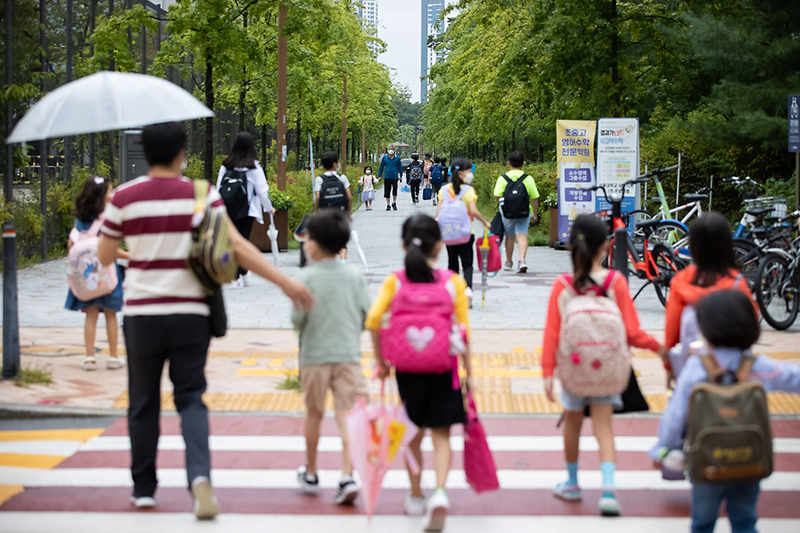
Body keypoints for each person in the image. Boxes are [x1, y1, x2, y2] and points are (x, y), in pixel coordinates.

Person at [97, 122, 314, 520]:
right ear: (182, 153)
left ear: (145, 153)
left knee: (142, 401)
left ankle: (143, 488)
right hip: (191, 314)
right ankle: (199, 479)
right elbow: (237, 246)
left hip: (143, 316)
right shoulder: (201, 195)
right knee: (191, 398)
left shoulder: (124, 197)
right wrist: (285, 282)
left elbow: (106, 257)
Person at [542, 215, 666, 517]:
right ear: (607, 246)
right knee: (603, 426)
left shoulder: (562, 285)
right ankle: (608, 489)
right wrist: (659, 348)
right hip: (609, 369)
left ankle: (572, 483)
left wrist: (547, 371)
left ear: (570, 246)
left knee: (572, 423)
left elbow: (553, 333)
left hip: (573, 369)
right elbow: (633, 333)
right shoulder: (616, 282)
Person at [651, 290, 800, 533]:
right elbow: (793, 378)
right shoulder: (759, 366)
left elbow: (675, 414)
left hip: (706, 460)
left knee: (702, 523)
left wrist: (661, 450)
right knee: (744, 521)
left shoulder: (696, 368)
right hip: (750, 459)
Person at [367, 214, 472, 532]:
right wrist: (472, 374)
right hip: (445, 367)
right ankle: (439, 493)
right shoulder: (452, 282)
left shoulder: (395, 281)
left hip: (407, 368)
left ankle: (415, 494)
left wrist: (381, 361)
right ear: (439, 247)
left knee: (412, 430)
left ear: (402, 245)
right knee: (442, 434)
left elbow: (373, 319)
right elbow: (464, 332)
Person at [291, 210, 371, 506]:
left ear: (313, 244)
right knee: (347, 415)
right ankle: (347, 474)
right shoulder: (353, 275)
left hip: (314, 356)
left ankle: (311, 471)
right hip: (348, 355)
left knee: (314, 413)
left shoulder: (306, 276)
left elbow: (297, 318)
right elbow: (367, 314)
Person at [665, 212, 757, 378]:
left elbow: (672, 335)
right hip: (734, 372)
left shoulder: (681, 282)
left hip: (691, 372)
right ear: (727, 245)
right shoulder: (737, 283)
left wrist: (669, 368)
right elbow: (751, 325)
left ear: (694, 245)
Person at [65, 176, 127, 372]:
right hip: (107, 274)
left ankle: (90, 357)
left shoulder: (81, 218)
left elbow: (71, 244)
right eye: (110, 191)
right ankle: (113, 357)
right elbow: (109, 249)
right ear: (102, 196)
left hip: (86, 275)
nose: (113, 193)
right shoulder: (108, 219)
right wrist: (131, 255)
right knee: (110, 315)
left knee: (90, 315)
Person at [217, 132, 275, 288]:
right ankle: (237, 274)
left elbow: (218, 189)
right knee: (242, 241)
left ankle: (240, 272)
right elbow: (262, 192)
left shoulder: (226, 165)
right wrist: (269, 208)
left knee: (231, 242)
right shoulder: (254, 167)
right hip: (247, 210)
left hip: (227, 209)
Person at [436, 158, 490, 308]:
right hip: (466, 233)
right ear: (460, 173)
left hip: (448, 234)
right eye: (468, 171)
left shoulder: (444, 190)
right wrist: (485, 222)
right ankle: (467, 292)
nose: (470, 173)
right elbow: (473, 211)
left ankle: (453, 295)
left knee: (452, 263)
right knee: (467, 264)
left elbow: (438, 213)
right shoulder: (468, 190)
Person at [493, 151, 540, 273]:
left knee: (509, 237)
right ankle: (522, 260)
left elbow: (497, 195)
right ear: (523, 164)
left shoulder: (503, 178)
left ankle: (509, 262)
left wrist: (506, 201)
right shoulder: (528, 178)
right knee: (521, 234)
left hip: (507, 212)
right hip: (524, 211)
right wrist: (534, 213)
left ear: (508, 163)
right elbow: (535, 197)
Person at [315, 151, 352, 261]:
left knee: (326, 240)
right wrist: (348, 213)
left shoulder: (320, 179)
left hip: (326, 214)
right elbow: (349, 197)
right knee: (341, 241)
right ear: (335, 164)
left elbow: (317, 197)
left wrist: (316, 212)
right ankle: (342, 262)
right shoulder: (342, 178)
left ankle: (328, 262)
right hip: (340, 213)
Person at [377, 144, 403, 211]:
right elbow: (381, 167)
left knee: (394, 190)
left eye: (392, 149)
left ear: (394, 150)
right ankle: (388, 204)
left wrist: (400, 176)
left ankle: (394, 202)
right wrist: (380, 176)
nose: (391, 150)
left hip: (394, 177)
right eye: (389, 149)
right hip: (387, 177)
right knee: (387, 191)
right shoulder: (385, 158)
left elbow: (400, 168)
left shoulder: (397, 158)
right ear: (388, 150)